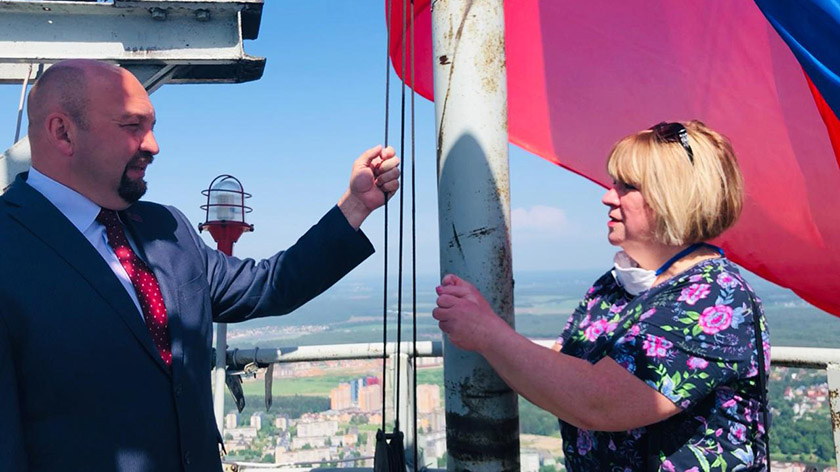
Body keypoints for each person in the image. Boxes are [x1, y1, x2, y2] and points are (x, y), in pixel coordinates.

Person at [0, 59, 400, 471]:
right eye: (132, 126)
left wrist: (355, 206)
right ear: (63, 132)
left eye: (152, 126)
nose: (153, 145)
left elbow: (269, 285)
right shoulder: (8, 247)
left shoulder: (167, 227)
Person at [434, 121, 769, 471]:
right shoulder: (614, 285)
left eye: (628, 186)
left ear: (675, 197)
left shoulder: (716, 298)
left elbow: (598, 401)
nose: (608, 196)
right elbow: (556, 374)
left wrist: (487, 332)